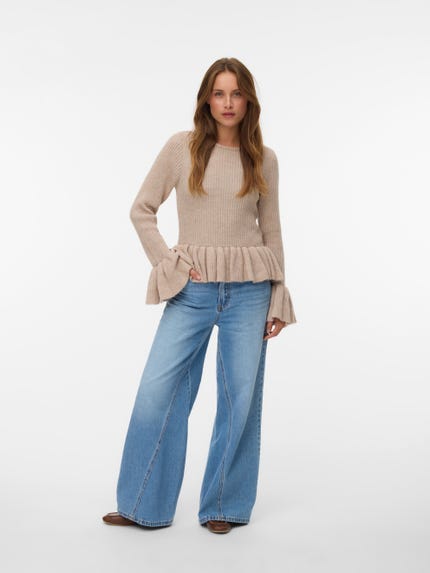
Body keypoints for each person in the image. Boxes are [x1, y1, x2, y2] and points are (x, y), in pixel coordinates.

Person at [102, 57, 297, 535]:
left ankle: (224, 506)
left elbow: (271, 231)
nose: (228, 103)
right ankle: (142, 505)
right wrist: (168, 263)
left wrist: (278, 295)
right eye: (219, 93)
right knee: (158, 392)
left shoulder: (264, 158)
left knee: (239, 400)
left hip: (250, 292)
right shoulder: (181, 148)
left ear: (248, 101)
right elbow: (142, 209)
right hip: (191, 290)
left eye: (236, 93)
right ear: (207, 100)